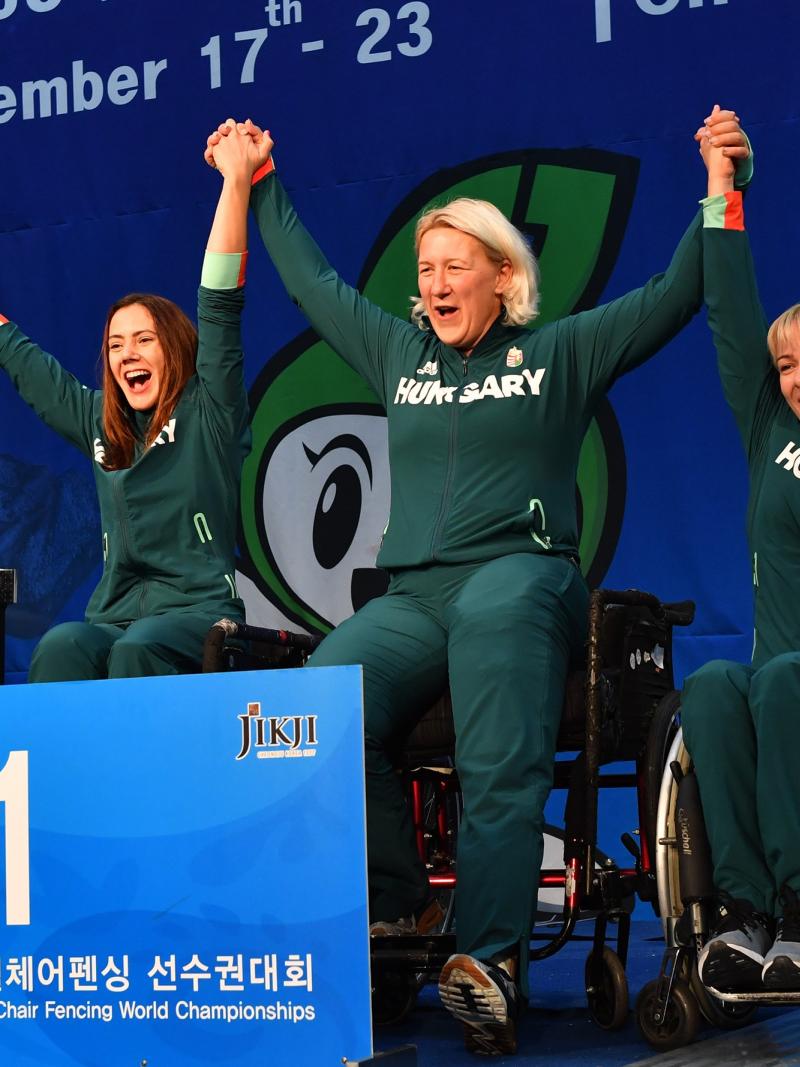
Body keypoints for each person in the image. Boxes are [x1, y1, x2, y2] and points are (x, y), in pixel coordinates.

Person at [206, 114, 747, 1055]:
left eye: (455, 265)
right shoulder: (398, 356)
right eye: (425, 270)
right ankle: (407, 912)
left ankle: (492, 962)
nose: (435, 284)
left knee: (499, 713)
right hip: (414, 593)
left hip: (521, 574)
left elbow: (675, 293)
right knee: (319, 708)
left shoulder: (560, 352)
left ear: (505, 273)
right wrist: (259, 184)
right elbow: (315, 284)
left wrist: (718, 180)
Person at [0, 130, 259, 682]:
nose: (127, 355)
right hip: (114, 617)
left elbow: (219, 301)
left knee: (137, 649)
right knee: (63, 643)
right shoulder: (102, 423)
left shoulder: (210, 411)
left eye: (143, 340)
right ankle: (59, 771)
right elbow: (31, 369)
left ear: (176, 348)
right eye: (116, 345)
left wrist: (236, 183)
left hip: (196, 616)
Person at [682, 108, 800, 994]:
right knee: (718, 682)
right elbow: (731, 312)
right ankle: (746, 909)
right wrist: (726, 190)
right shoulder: (770, 429)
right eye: (787, 366)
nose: (795, 379)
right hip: (777, 678)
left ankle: (799, 905)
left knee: (779, 678)